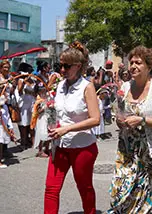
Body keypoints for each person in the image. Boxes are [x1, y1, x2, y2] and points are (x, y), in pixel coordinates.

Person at [107, 46, 152, 213]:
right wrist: (120, 121)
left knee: (150, 205)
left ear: (149, 66)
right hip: (128, 152)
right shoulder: (125, 88)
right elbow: (120, 116)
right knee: (121, 197)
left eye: (138, 62)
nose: (133, 66)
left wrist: (142, 120)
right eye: (131, 62)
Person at [44, 41, 100, 214]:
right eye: (59, 65)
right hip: (59, 145)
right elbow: (59, 112)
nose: (62, 70)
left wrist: (67, 129)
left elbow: (95, 119)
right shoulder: (60, 85)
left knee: (84, 188)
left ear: (78, 66)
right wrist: (46, 110)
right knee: (51, 189)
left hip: (82, 147)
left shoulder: (87, 87)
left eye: (66, 66)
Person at [0, 95, 14, 168]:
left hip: (3, 127)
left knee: (1, 144)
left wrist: (10, 127)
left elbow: (8, 117)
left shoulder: (5, 106)